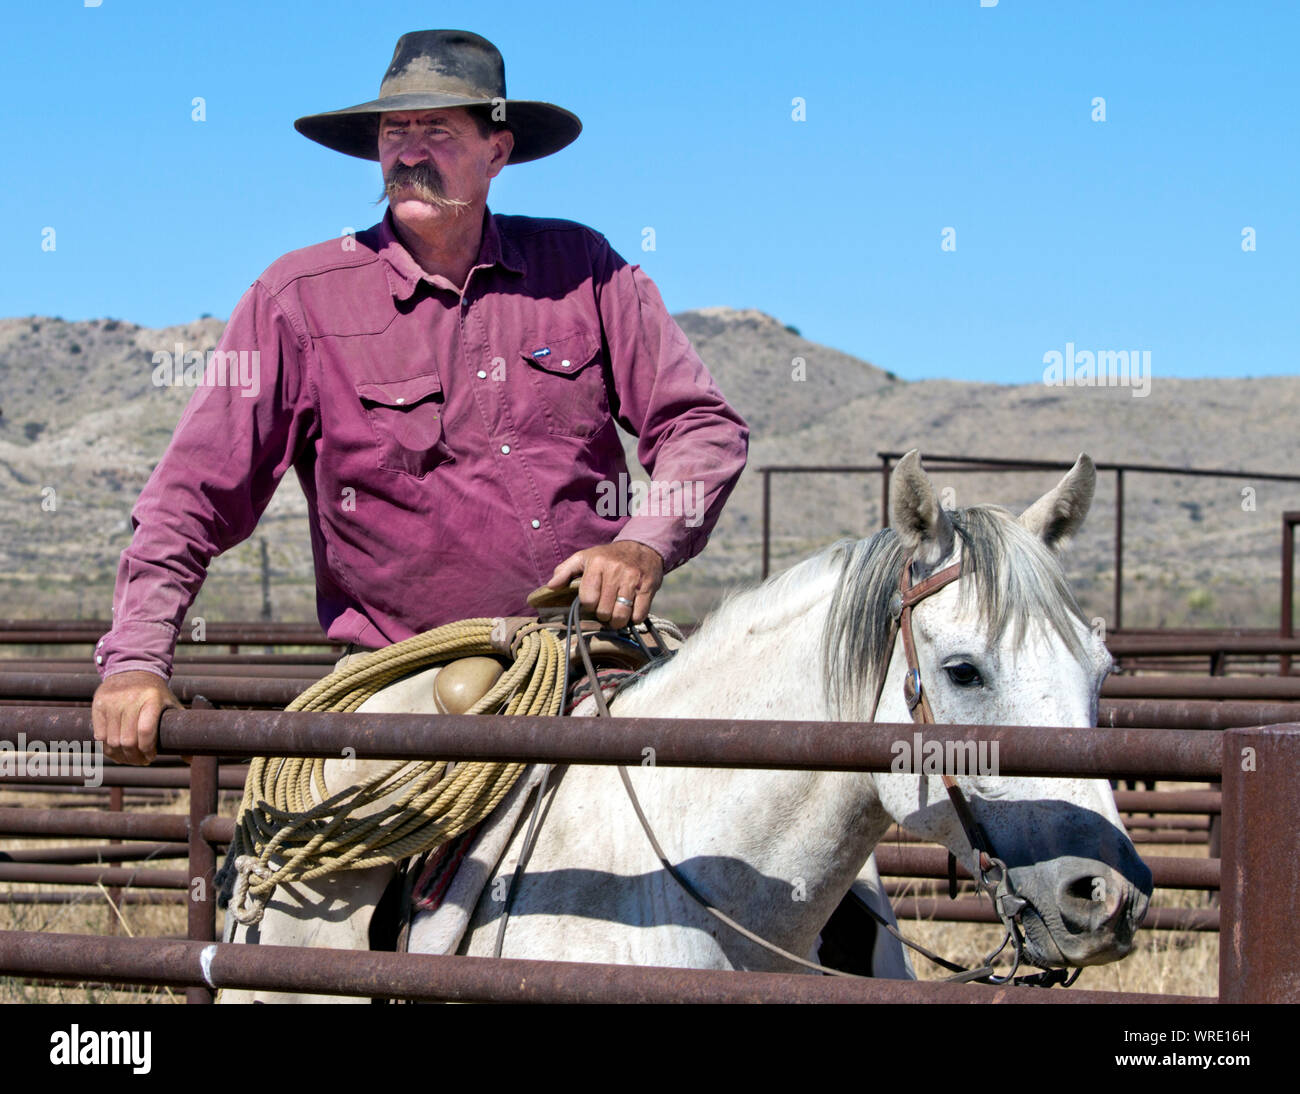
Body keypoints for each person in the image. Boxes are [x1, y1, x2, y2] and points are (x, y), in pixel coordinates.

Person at [90, 29, 749, 765]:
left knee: (755, 835)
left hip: (591, 659)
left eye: (437, 130)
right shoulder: (298, 301)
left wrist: (641, 545)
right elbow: (192, 495)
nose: (408, 152)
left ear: (497, 152)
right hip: (399, 683)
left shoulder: (583, 269)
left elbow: (701, 425)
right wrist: (136, 664)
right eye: (394, 131)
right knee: (319, 875)